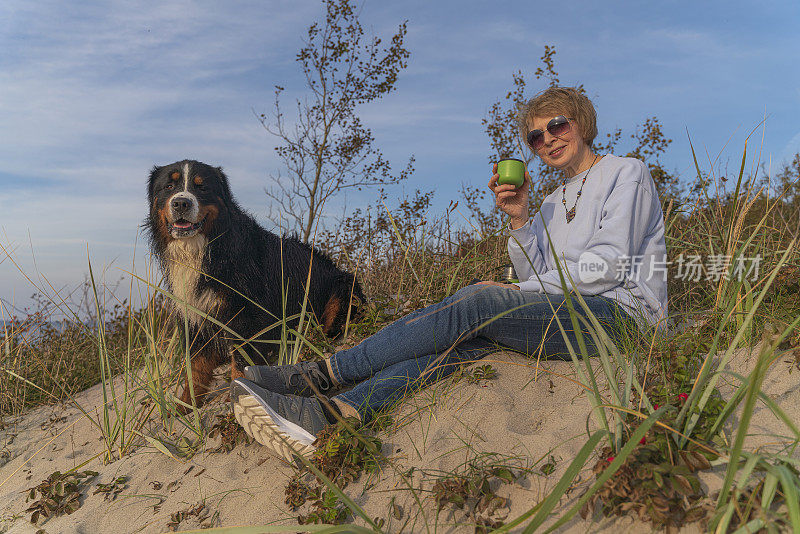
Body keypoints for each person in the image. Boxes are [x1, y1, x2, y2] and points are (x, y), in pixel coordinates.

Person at [230, 87, 668, 462]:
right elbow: (542, 275)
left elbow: (605, 267)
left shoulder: (624, 172)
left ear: (581, 122)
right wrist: (520, 219)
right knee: (462, 343)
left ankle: (322, 373)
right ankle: (331, 415)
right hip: (573, 316)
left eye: (558, 126)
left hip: (624, 318)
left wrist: (511, 291)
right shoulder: (553, 202)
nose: (549, 140)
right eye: (537, 136)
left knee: (477, 302)